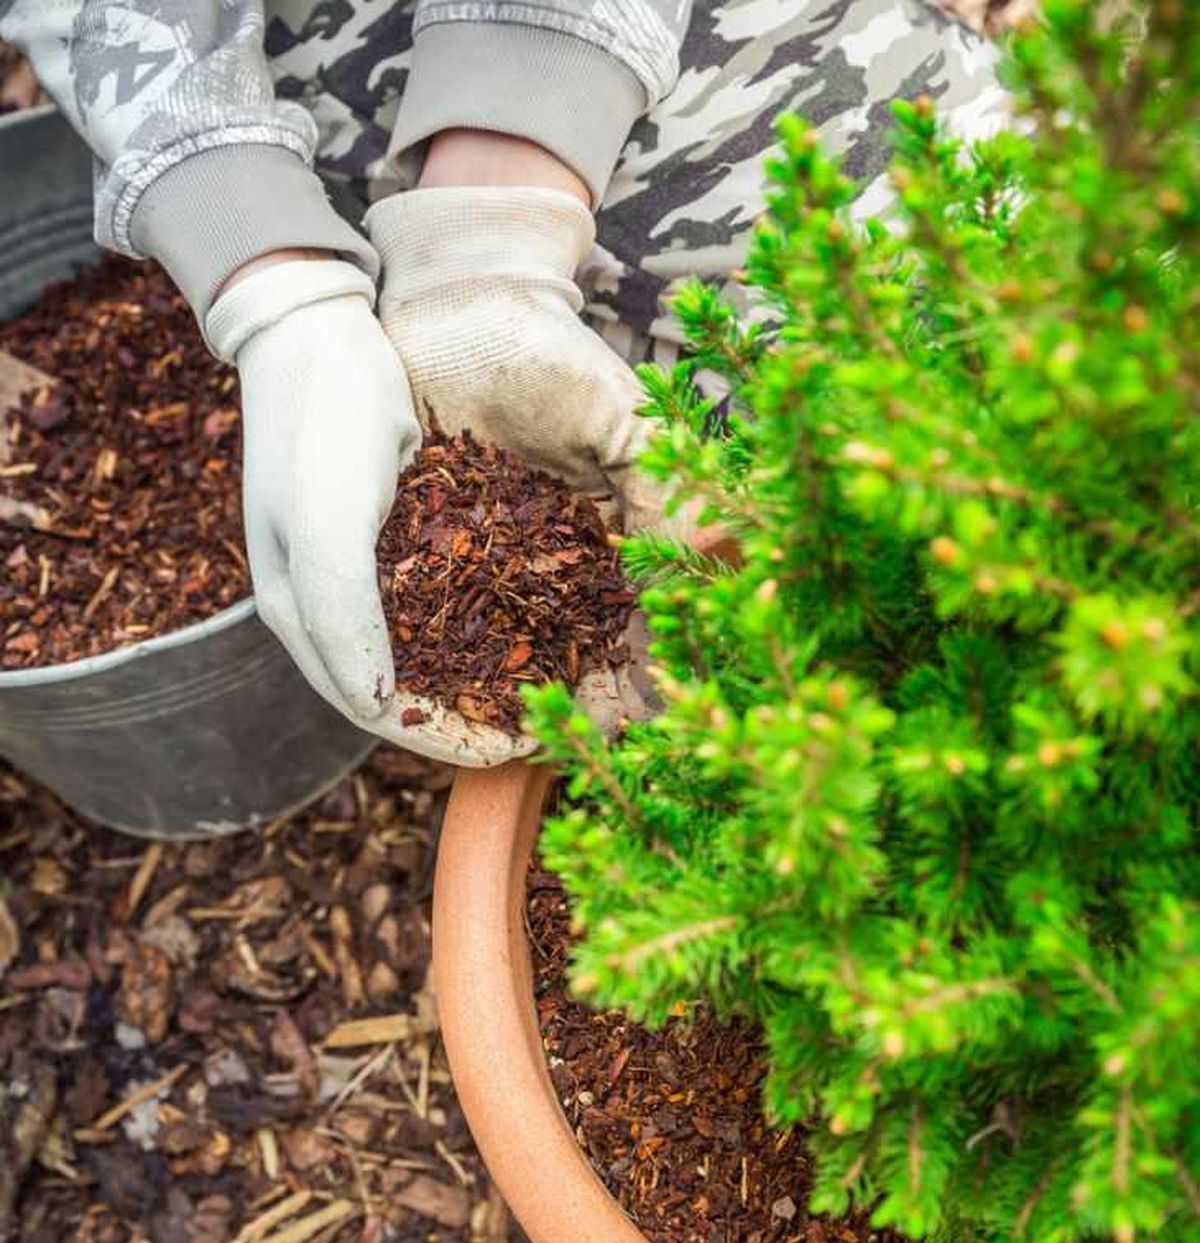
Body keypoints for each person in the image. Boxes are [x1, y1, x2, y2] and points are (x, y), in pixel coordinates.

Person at [0, 1, 1006, 764]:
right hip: (336, 100)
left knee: (993, 428)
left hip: (727, 63)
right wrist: (268, 275)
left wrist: (497, 195)